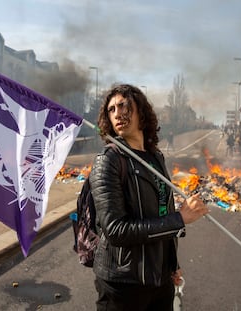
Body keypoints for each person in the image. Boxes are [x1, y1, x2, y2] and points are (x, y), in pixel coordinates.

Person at [89, 84, 209, 311]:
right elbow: (115, 230)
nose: (117, 113)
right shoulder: (108, 160)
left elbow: (162, 210)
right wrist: (180, 219)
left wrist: (171, 263)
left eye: (123, 105)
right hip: (123, 284)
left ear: (141, 111)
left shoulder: (155, 158)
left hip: (160, 278)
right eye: (111, 109)